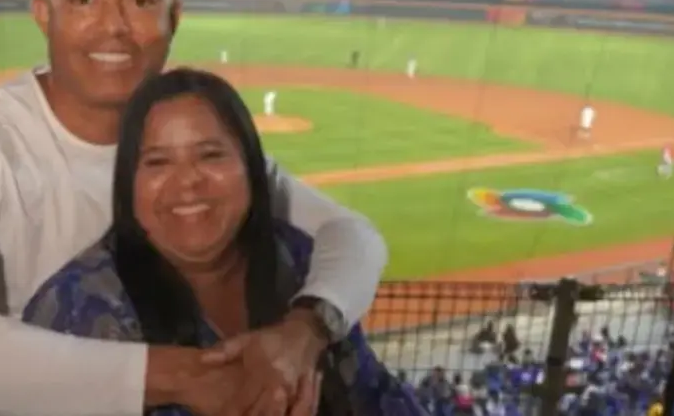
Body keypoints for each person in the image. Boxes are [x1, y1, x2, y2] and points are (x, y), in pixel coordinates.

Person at [0, 0, 387, 416]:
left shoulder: (191, 135)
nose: (114, 27)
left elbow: (352, 234)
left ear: (173, 18)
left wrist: (305, 329)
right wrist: (187, 378)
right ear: (44, 15)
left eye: (141, 0)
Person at [23, 68, 425, 416]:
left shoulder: (301, 264)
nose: (188, 182)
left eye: (211, 155)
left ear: (252, 168)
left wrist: (306, 330)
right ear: (129, 185)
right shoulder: (74, 311)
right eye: (158, 162)